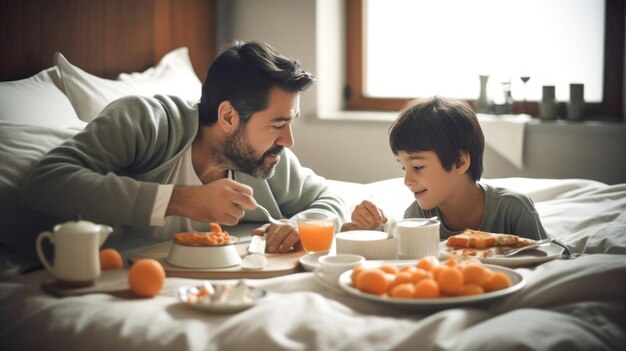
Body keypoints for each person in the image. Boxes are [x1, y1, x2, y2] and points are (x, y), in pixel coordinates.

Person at [22, 40, 347, 253]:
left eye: (291, 122)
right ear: (229, 116)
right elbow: (47, 182)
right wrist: (180, 200)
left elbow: (328, 198)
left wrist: (298, 224)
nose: (288, 141)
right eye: (278, 124)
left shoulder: (263, 160)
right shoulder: (143, 123)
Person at [341, 96, 547, 241]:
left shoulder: (513, 209)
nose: (407, 181)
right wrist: (370, 231)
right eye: (404, 168)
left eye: (418, 166)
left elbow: (550, 262)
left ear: (459, 162)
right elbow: (398, 256)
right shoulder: (418, 216)